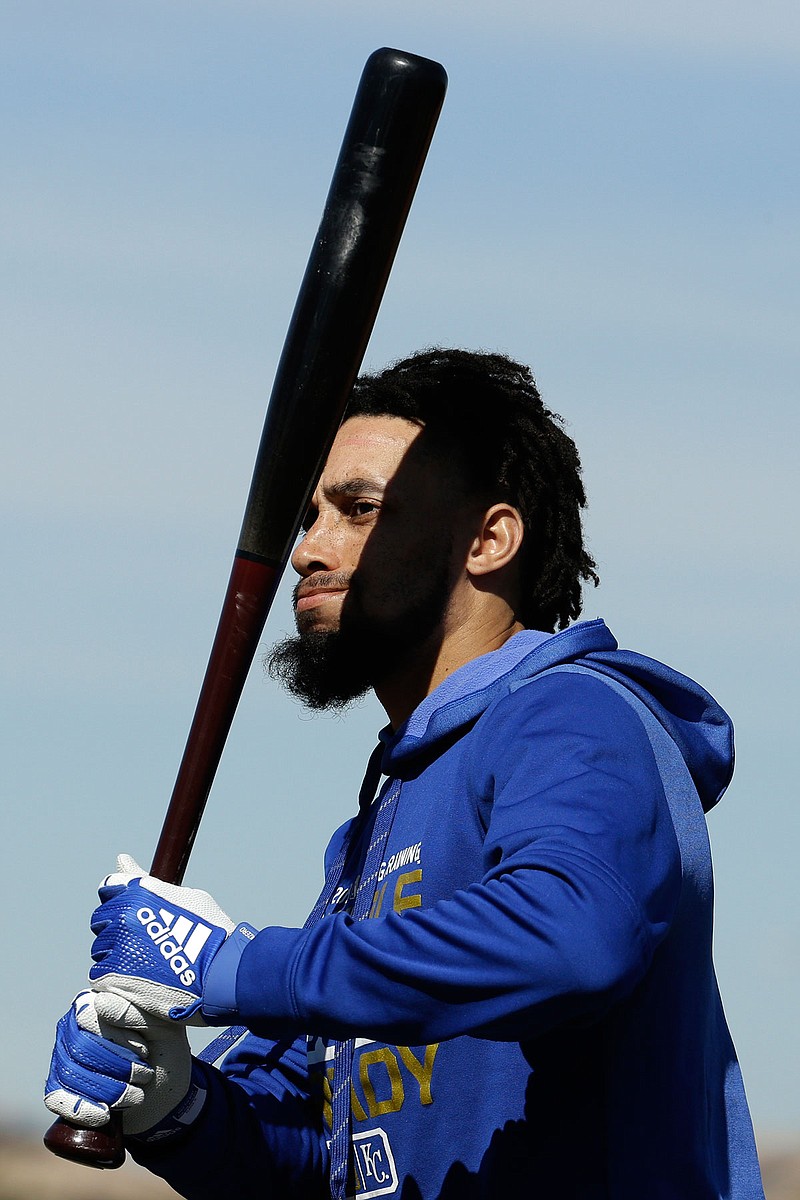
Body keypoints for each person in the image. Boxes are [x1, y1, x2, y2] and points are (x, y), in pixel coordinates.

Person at [45, 348, 765, 1199]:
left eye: (359, 509)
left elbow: (571, 935)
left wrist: (234, 967)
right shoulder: (373, 833)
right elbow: (336, 1164)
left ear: (490, 540)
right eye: (311, 515)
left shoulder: (573, 714)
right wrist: (179, 1107)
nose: (309, 548)